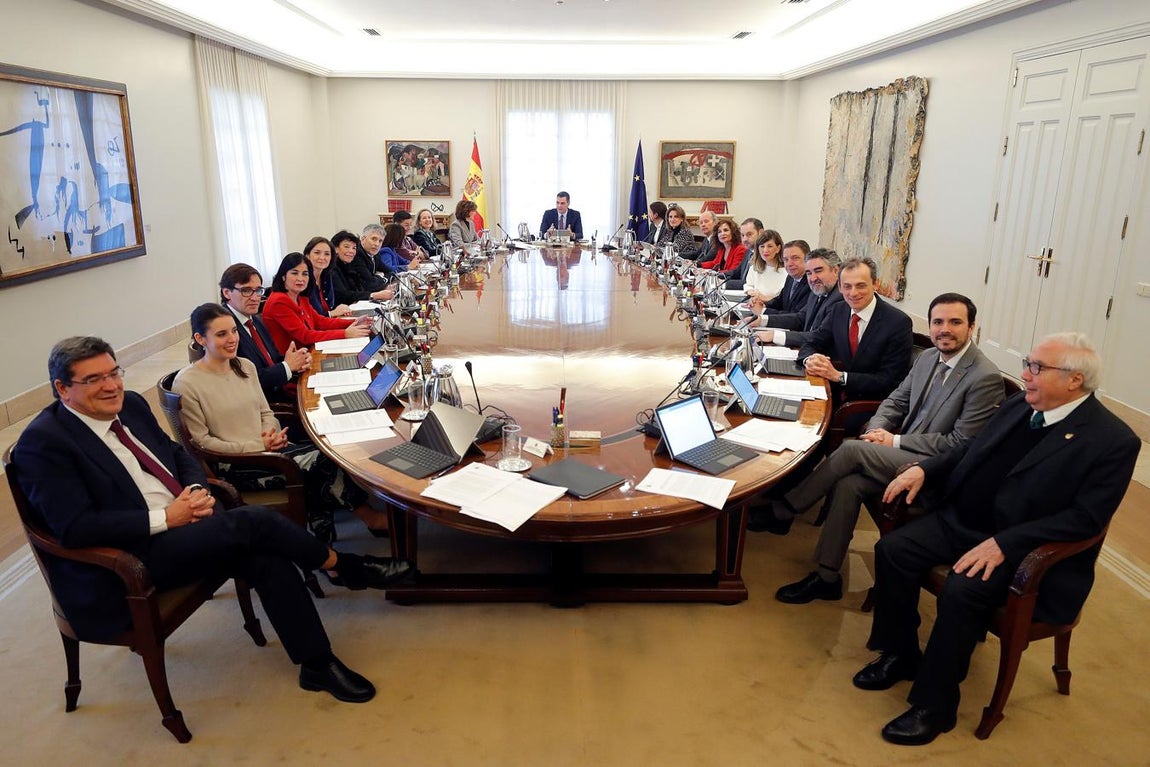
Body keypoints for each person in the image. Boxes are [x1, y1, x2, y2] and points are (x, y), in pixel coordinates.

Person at [13, 336, 413, 703]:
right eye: (94, 379)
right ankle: (343, 566)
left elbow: (176, 453)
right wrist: (166, 517)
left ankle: (317, 663)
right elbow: (74, 528)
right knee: (255, 522)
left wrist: (196, 491)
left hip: (187, 522)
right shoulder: (45, 444)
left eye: (114, 372)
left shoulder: (130, 405)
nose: (111, 385)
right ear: (62, 388)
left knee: (265, 555)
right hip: (130, 558)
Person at [856, 332, 1139, 746]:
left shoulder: (1112, 440)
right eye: (1028, 363)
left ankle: (935, 706)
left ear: (1075, 380)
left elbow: (1086, 519)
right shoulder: (1021, 403)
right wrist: (925, 469)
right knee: (892, 550)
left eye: (1037, 367)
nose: (1025, 374)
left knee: (962, 588)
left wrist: (1007, 543)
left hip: (1021, 547)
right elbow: (971, 448)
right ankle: (901, 654)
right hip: (965, 521)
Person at [754, 294, 1004, 606]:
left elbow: (960, 444)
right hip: (901, 455)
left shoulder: (984, 377)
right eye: (938, 322)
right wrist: (877, 430)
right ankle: (827, 577)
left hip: (936, 470)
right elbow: (895, 401)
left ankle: (785, 509)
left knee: (851, 450)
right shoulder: (928, 357)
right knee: (849, 484)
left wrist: (894, 441)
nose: (945, 329)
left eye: (955, 322)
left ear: (972, 327)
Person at [175, 303, 369, 543]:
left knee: (329, 452)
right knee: (321, 462)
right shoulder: (187, 384)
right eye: (221, 334)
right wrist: (259, 445)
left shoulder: (244, 366)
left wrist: (271, 434)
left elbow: (266, 412)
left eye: (234, 331)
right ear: (200, 339)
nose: (232, 339)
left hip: (268, 449)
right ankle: (363, 520)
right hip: (236, 463)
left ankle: (323, 539)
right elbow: (201, 444)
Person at [798, 256, 913, 402]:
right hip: (833, 394)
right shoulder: (838, 310)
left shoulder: (898, 322)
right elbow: (812, 342)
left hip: (869, 403)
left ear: (875, 284)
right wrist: (809, 360)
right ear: (840, 287)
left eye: (861, 286)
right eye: (847, 286)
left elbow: (890, 380)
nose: (853, 293)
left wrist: (840, 377)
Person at [219, 263, 310, 404]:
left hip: (280, 391)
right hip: (261, 405)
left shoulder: (255, 320)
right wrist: (287, 366)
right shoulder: (224, 329)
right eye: (246, 290)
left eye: (258, 290)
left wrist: (298, 360)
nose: (255, 298)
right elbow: (245, 380)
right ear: (226, 293)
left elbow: (272, 359)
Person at [262, 253, 371, 355]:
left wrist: (355, 321)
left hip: (309, 351)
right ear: (283, 276)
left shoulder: (300, 297)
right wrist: (345, 333)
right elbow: (305, 336)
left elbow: (319, 322)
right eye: (294, 273)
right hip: (294, 359)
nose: (300, 278)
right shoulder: (278, 301)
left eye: (305, 274)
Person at [752, 247, 843, 348]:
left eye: (818, 271)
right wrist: (761, 320)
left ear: (836, 271)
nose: (813, 278)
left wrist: (775, 336)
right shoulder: (817, 290)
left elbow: (820, 337)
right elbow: (800, 318)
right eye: (809, 273)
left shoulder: (840, 298)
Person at [330, 230, 393, 305]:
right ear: (335, 248)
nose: (351, 251)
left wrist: (383, 288)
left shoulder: (348, 265)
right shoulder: (332, 268)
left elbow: (361, 287)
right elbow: (344, 295)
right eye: (346, 247)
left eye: (354, 248)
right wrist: (374, 295)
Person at [758, 239, 812, 315]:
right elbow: (780, 301)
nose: (789, 264)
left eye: (795, 258)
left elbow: (796, 316)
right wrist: (763, 305)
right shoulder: (790, 278)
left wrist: (763, 311)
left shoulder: (811, 282)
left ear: (807, 259)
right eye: (786, 259)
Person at [303, 236, 350, 318]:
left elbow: (329, 307)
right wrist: (331, 313)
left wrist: (340, 309)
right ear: (307, 255)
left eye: (327, 254)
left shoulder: (327, 276)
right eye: (317, 253)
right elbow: (309, 317)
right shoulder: (303, 280)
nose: (322, 257)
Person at [741, 229, 786, 300]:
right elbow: (749, 285)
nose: (765, 250)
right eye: (762, 246)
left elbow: (784, 299)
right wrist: (751, 292)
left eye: (770, 246)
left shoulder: (787, 271)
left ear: (778, 248)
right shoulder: (754, 268)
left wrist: (765, 299)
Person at [727, 217, 764, 290]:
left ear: (761, 233)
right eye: (742, 235)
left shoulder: (765, 255)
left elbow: (751, 283)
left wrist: (723, 284)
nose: (744, 239)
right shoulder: (749, 251)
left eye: (749, 234)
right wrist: (716, 276)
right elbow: (736, 272)